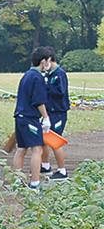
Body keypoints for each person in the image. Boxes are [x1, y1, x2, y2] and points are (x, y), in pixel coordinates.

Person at [12, 47, 53, 190]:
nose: (49, 64)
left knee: (21, 149)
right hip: (30, 118)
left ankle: (17, 180)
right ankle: (35, 182)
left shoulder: (27, 75)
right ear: (43, 61)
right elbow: (39, 101)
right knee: (37, 149)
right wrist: (46, 117)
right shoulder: (38, 77)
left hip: (20, 116)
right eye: (48, 61)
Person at [41, 51, 70, 182]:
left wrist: (47, 86)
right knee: (44, 139)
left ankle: (62, 171)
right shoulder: (50, 74)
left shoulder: (60, 74)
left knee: (55, 141)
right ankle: (45, 165)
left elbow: (60, 92)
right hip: (50, 111)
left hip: (58, 112)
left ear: (49, 59)